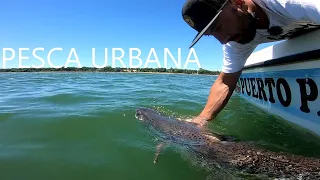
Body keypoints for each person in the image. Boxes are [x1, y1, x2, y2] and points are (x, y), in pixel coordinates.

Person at [182, 0, 320, 127]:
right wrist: (201, 120)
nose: (223, 40)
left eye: (219, 27)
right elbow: (225, 82)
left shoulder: (287, 2)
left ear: (238, 3)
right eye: (211, 34)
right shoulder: (236, 39)